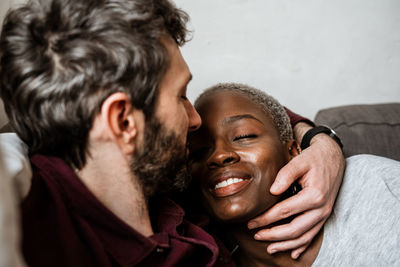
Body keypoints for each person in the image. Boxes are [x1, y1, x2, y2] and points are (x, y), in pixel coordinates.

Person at [0, 0, 344, 265]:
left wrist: (320, 140)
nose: (194, 120)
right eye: (181, 96)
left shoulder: (164, 177)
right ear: (122, 121)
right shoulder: (33, 211)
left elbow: (256, 118)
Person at [188, 82, 400, 266]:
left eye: (244, 135)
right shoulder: (199, 250)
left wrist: (318, 138)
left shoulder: (374, 185)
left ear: (293, 151)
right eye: (198, 150)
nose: (219, 155)